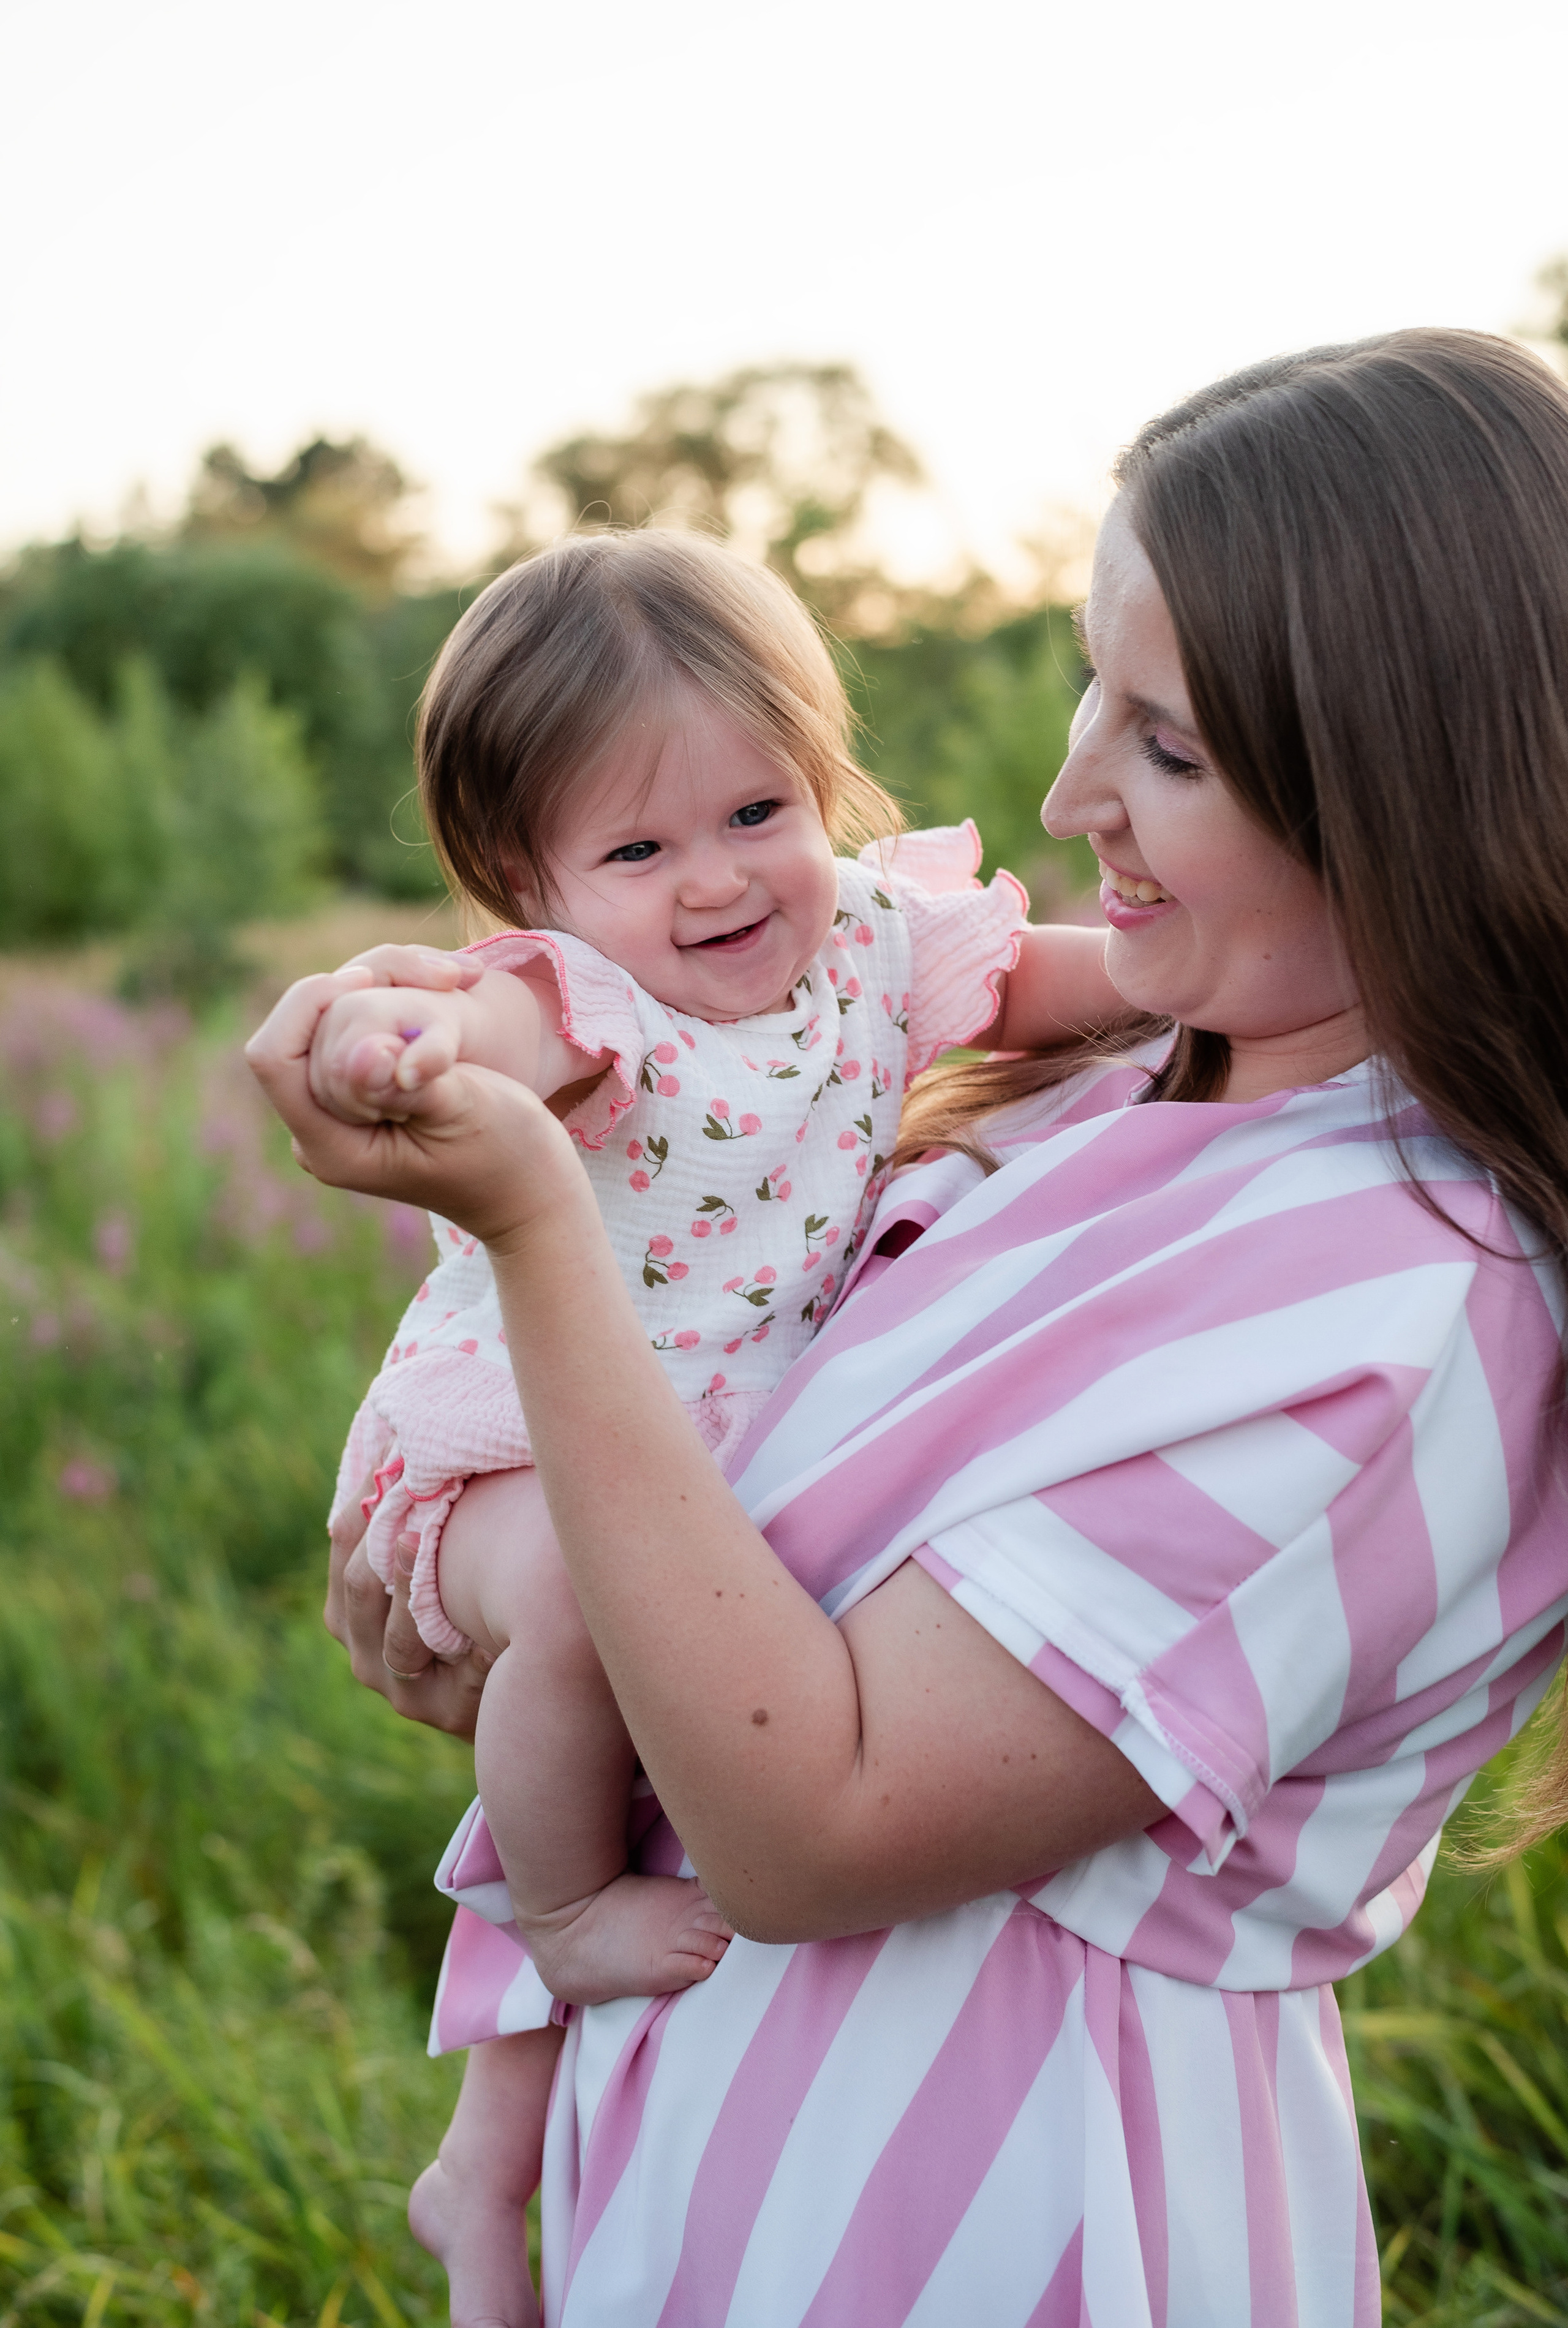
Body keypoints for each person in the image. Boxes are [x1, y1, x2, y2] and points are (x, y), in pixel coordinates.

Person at [250, 331, 1568, 2327]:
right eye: (1092, 694)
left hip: (996, 2217)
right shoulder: (1168, 1077)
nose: (1064, 793)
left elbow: (807, 1817)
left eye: (1173, 750)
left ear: (1413, 790)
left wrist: (527, 1219)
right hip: (731, 2164)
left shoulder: (1406, 1308)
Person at [284, 527, 1127, 2321]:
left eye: (759, 813)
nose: (718, 883)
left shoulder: (876, 948)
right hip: (506, 1448)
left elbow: (1053, 983)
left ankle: (483, 2168)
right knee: (597, 1624)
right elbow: (475, 1025)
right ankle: (565, 1911)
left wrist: (1197, 974)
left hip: (694, 1464)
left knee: (666, 1698)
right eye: (639, 849)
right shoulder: (591, 1010)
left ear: (821, 782)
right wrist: (387, 1039)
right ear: (537, 879)